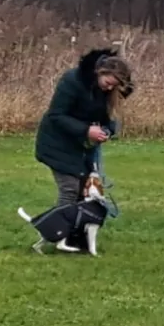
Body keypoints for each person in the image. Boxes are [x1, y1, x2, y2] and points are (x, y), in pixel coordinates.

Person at [35, 49, 133, 216]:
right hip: (56, 143)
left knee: (85, 191)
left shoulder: (107, 92)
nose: (109, 88)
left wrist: (106, 131)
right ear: (100, 72)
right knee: (70, 190)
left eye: (114, 86)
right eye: (108, 82)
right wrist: (86, 130)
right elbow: (56, 115)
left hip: (81, 148)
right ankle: (59, 232)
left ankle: (74, 234)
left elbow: (109, 119)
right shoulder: (72, 80)